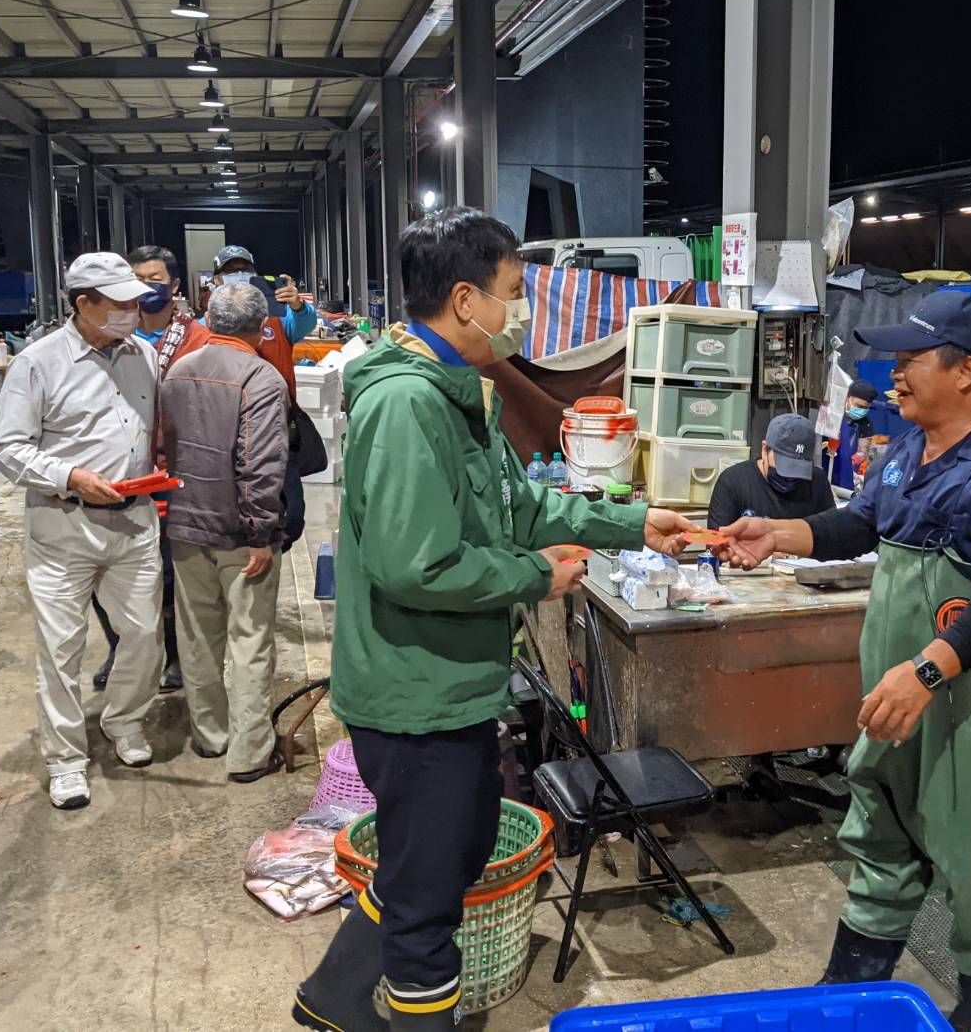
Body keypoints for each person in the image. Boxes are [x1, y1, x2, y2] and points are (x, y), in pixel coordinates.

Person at [292, 207, 696, 1032]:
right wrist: (532, 579)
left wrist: (630, 522)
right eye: (512, 294)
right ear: (465, 299)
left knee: (454, 849)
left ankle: (332, 999)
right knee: (428, 905)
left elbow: (518, 502)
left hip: (456, 683)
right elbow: (418, 565)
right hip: (416, 695)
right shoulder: (407, 406)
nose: (518, 315)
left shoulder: (458, 394)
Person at [716, 289, 971, 1031]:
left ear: (965, 371)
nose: (895, 377)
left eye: (910, 361)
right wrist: (774, 535)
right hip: (903, 696)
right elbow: (857, 526)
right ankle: (844, 999)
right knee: (879, 835)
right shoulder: (908, 448)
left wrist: (928, 670)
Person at [0, 252, 164, 811]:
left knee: (142, 636)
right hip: (64, 527)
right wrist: (70, 476)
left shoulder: (146, 355)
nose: (133, 312)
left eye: (136, 301)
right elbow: (6, 449)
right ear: (82, 303)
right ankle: (66, 759)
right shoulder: (37, 364)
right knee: (62, 650)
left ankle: (124, 721)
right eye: (119, 303)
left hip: (134, 521)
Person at [162, 283, 289, 781]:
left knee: (196, 634)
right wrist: (262, 532)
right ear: (261, 328)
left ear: (209, 321)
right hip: (240, 535)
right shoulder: (260, 377)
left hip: (185, 525)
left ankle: (210, 737)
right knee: (249, 639)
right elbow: (259, 463)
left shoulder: (177, 371)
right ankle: (250, 753)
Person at [90, 244, 214, 697]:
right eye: (138, 279)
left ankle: (176, 654)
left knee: (167, 577)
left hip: (172, 474)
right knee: (106, 578)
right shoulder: (111, 337)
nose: (147, 288)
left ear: (175, 285)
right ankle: (121, 652)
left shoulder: (195, 340)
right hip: (116, 472)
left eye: (156, 279)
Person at [208, 245, 317, 550]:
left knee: (293, 514)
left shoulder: (276, 320)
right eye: (230, 272)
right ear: (216, 280)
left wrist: (298, 306)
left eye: (244, 269)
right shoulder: (207, 326)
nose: (238, 276)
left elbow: (305, 324)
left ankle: (275, 549)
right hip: (227, 435)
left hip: (278, 434)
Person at [709, 413, 836, 529]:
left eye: (799, 469)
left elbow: (833, 535)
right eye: (784, 466)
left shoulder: (817, 481)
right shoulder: (733, 482)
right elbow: (717, 546)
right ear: (764, 450)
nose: (790, 477)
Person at [829, 380, 878, 490]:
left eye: (865, 408)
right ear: (847, 397)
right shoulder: (832, 415)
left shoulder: (865, 423)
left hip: (848, 476)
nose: (861, 410)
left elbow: (863, 451)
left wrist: (853, 466)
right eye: (858, 406)